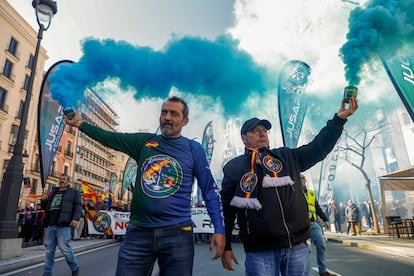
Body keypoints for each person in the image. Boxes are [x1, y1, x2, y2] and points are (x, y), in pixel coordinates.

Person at [64, 96, 225, 275]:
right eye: (164, 112)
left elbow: (209, 190)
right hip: (138, 232)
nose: (167, 117)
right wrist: (80, 124)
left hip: (178, 233)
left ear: (185, 121)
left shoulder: (193, 149)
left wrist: (219, 229)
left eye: (174, 113)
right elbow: (109, 138)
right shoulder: (144, 142)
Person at [220, 97, 358, 275]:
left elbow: (317, 148)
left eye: (264, 130)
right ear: (244, 138)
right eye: (255, 131)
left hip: (297, 247)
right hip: (260, 251)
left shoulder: (285, 156)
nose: (262, 134)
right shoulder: (234, 167)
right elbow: (227, 210)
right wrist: (227, 246)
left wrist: (338, 120)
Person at [41, 174, 82, 276]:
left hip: (64, 225)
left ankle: (74, 268)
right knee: (49, 252)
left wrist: (75, 218)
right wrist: (43, 200)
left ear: (68, 182)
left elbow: (78, 206)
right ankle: (47, 273)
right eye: (60, 179)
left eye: (64, 179)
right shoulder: (53, 192)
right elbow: (45, 207)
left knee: (65, 249)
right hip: (51, 224)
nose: (61, 181)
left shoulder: (74, 192)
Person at [301, 175, 336, 276]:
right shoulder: (294, 192)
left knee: (321, 245)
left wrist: (325, 219)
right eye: (300, 178)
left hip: (313, 223)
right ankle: (305, 272)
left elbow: (317, 207)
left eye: (303, 178)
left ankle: (323, 271)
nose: (302, 180)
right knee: (305, 250)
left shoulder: (311, 193)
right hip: (301, 225)